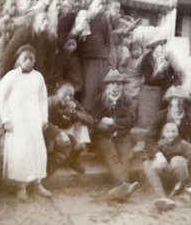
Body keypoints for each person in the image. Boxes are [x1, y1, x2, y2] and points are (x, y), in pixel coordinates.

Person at [0, 44, 51, 201]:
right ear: (18, 59)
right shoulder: (11, 77)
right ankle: (21, 187)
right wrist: (6, 120)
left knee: (37, 151)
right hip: (17, 122)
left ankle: (37, 183)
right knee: (20, 153)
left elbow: (42, 98)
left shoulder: (38, 77)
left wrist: (43, 118)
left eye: (32, 59)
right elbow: (1, 99)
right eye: (25, 58)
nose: (29, 62)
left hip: (33, 121)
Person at [90, 69, 138, 202]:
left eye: (118, 84)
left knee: (127, 157)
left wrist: (114, 122)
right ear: (107, 85)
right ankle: (125, 185)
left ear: (122, 86)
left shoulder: (127, 99)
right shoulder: (99, 99)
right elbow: (93, 119)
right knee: (112, 155)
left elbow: (132, 121)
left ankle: (122, 188)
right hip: (104, 136)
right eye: (112, 83)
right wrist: (101, 120)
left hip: (122, 135)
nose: (115, 87)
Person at [143, 122, 191, 211]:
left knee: (176, 160)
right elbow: (146, 153)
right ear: (163, 133)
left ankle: (187, 187)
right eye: (168, 131)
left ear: (177, 133)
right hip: (166, 173)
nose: (171, 134)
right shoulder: (160, 144)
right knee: (148, 164)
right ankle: (161, 196)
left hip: (180, 176)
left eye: (173, 131)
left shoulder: (183, 144)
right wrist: (157, 157)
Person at [46, 82, 94, 175]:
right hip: (52, 134)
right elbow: (42, 122)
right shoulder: (49, 102)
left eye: (71, 95)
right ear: (58, 91)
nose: (68, 98)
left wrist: (75, 113)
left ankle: (73, 159)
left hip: (66, 133)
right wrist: (57, 132)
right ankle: (56, 159)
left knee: (82, 124)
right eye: (65, 94)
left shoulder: (74, 103)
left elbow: (91, 121)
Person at [77, 0, 111, 111]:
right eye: (98, 4)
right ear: (91, 4)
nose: (101, 7)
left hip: (99, 59)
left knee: (96, 90)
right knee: (86, 89)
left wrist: (109, 61)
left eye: (103, 4)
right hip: (85, 58)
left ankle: (91, 118)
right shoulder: (84, 15)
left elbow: (108, 40)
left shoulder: (104, 19)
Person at [118, 41, 144, 110]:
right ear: (130, 51)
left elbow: (143, 75)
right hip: (126, 81)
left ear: (142, 50)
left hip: (135, 84)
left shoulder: (141, 60)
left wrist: (141, 82)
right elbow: (121, 66)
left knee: (133, 101)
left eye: (137, 49)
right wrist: (122, 71)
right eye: (133, 50)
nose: (135, 52)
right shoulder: (127, 59)